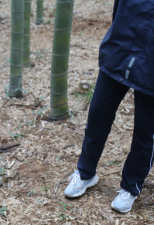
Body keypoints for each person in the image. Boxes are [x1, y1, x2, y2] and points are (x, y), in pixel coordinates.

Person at [64, 0, 154, 213]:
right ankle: (86, 173)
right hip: (120, 50)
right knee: (98, 114)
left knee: (146, 130)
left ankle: (131, 187)